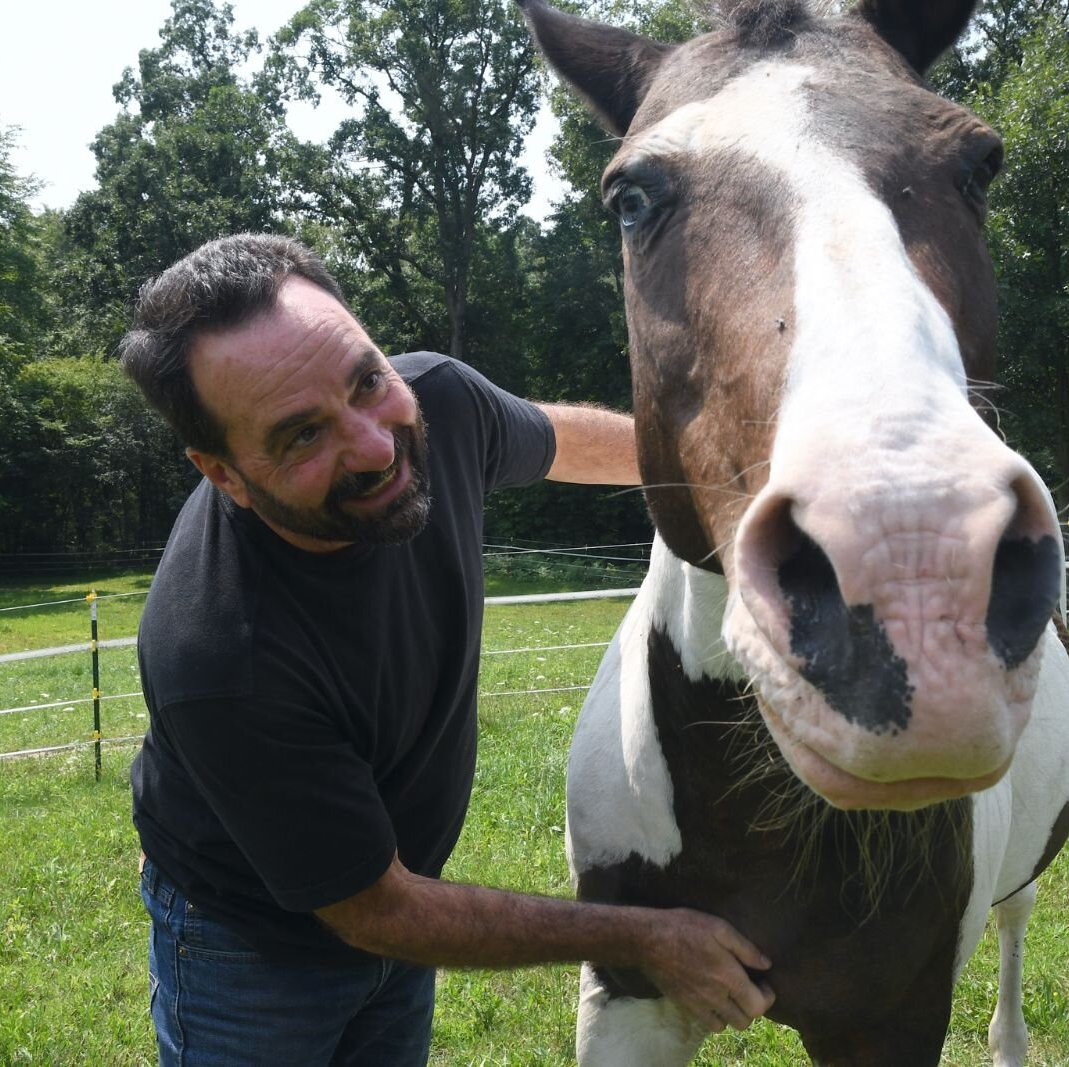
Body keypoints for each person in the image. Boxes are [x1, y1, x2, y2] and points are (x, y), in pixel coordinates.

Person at [118, 233, 775, 1065]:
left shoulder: (440, 403)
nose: (373, 445)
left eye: (366, 380)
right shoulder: (219, 656)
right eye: (299, 436)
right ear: (222, 472)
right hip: (248, 946)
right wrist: (643, 936)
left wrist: (723, 466)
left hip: (403, 913)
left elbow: (561, 441)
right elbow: (377, 910)